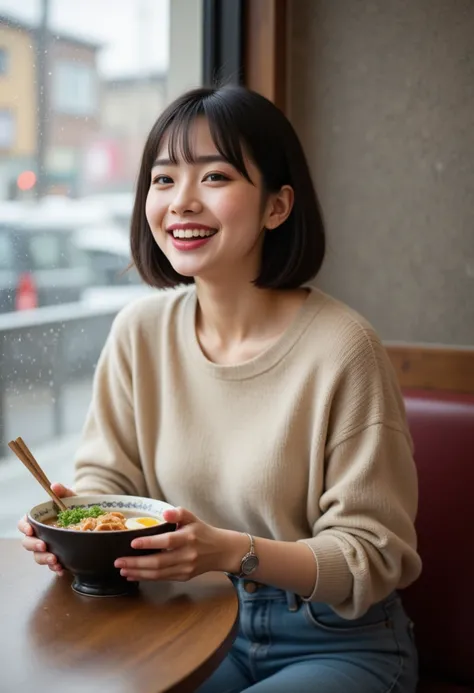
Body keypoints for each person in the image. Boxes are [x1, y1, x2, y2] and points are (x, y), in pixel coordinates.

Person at [18, 85, 421, 692]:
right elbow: (110, 485)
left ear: (276, 207)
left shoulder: (344, 348)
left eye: (214, 177)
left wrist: (230, 551)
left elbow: (374, 554)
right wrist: (76, 534)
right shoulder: (139, 332)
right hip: (188, 617)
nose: (181, 202)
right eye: (162, 179)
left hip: (334, 640)